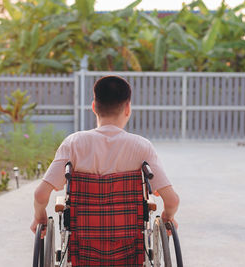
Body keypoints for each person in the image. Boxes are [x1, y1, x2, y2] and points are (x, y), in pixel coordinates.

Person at [30, 75, 179, 234]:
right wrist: (167, 217)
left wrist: (40, 218)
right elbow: (171, 200)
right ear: (127, 109)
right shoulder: (142, 147)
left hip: (83, 242)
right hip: (129, 242)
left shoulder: (73, 144)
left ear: (94, 107)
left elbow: (40, 195)